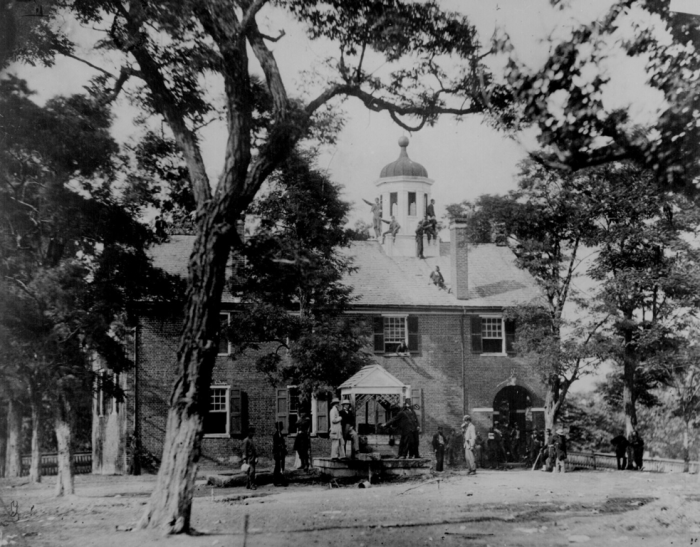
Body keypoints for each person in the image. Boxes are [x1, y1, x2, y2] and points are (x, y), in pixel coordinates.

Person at [272, 421, 288, 486]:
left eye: (281, 427)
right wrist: (280, 446)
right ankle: (276, 481)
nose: (280, 428)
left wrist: (283, 446)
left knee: (282, 467)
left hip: (282, 453)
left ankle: (280, 480)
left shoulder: (281, 434)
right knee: (277, 467)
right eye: (279, 427)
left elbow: (282, 443)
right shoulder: (275, 435)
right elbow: (275, 445)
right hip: (278, 453)